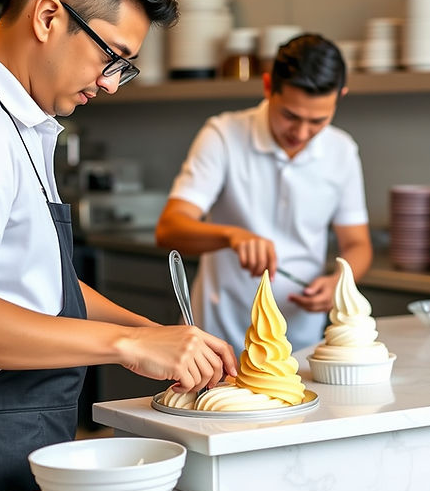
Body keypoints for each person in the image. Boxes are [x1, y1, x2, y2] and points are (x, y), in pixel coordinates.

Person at [0, 0, 236, 491]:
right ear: (48, 17)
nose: (110, 83)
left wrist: (152, 332)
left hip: (12, 427)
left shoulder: (20, 124)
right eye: (111, 56)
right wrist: (123, 346)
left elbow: (40, 287)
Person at [156, 34, 373, 355]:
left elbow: (357, 245)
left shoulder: (342, 150)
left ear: (340, 97)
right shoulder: (223, 135)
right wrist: (232, 236)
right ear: (268, 86)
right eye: (290, 116)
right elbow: (170, 229)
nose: (300, 133)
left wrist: (340, 281)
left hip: (301, 344)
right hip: (219, 340)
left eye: (318, 121)